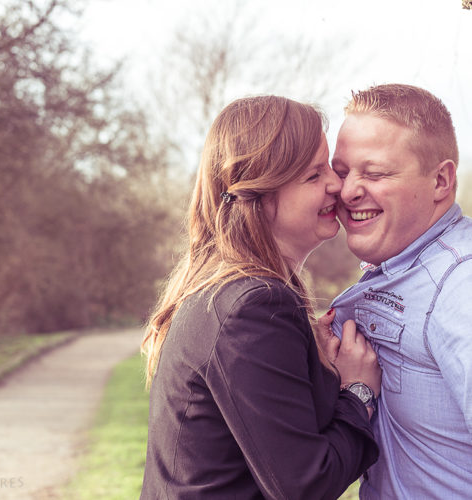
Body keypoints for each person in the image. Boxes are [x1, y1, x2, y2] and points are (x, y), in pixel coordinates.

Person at [140, 95, 380, 499]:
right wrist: (359, 393)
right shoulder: (252, 307)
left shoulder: (237, 292)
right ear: (261, 197)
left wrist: (313, 364)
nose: (337, 185)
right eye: (313, 175)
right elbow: (306, 484)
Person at [323, 83, 472, 499]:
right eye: (341, 171)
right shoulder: (395, 269)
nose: (348, 191)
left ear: (441, 180)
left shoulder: (461, 284)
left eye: (374, 173)